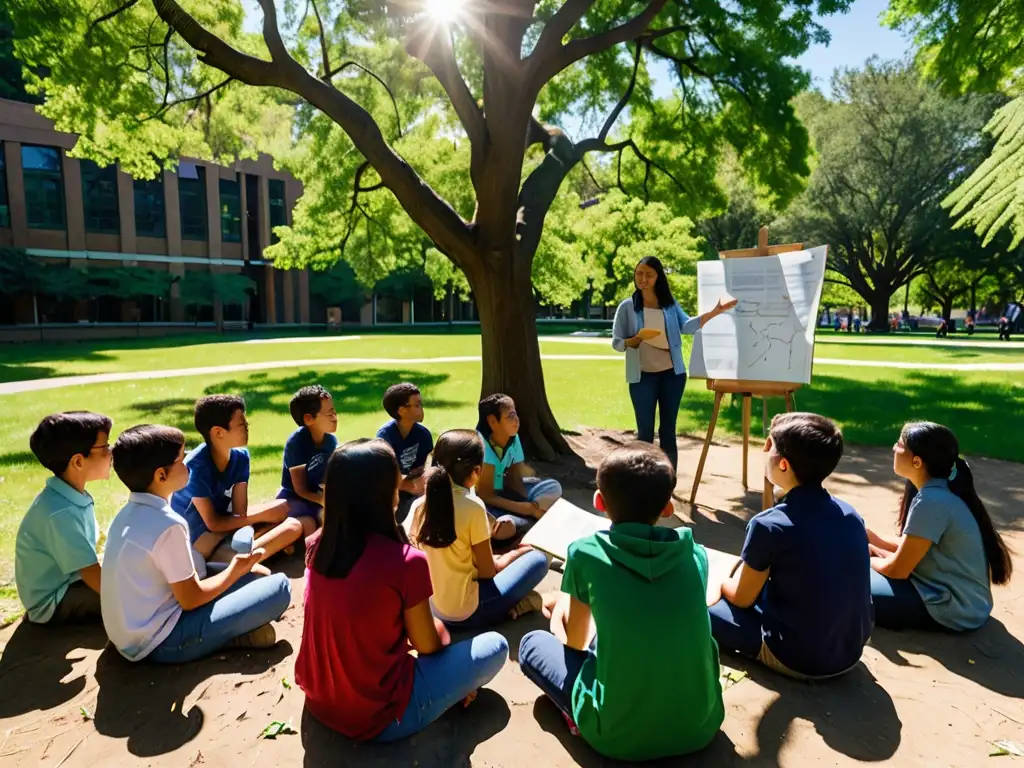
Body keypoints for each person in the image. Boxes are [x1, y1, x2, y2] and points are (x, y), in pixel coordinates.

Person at [518, 442, 723, 762]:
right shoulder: (693, 554)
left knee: (532, 644)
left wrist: (560, 611)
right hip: (700, 727)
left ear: (599, 501)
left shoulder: (585, 552)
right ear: (668, 507)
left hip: (616, 738)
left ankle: (579, 720)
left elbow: (574, 642)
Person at [295, 439, 508, 742]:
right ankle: (448, 695)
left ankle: (448, 687)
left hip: (319, 700)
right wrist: (442, 633)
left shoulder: (318, 545)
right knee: (495, 647)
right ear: (386, 495)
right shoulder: (406, 562)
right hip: (379, 716)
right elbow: (429, 645)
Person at [102, 425, 291, 663]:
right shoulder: (168, 524)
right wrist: (234, 571)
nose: (188, 463)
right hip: (162, 642)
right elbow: (190, 599)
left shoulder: (126, 515)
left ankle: (236, 632)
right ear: (161, 475)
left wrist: (239, 572)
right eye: (181, 459)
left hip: (131, 637)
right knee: (280, 588)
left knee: (258, 576)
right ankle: (228, 638)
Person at [707, 413, 873, 679]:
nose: (764, 451)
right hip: (849, 651)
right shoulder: (850, 514)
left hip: (798, 659)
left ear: (783, 464)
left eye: (769, 445)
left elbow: (741, 597)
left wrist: (721, 581)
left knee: (701, 607)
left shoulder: (769, 525)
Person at [868, 422, 1012, 631]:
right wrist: (873, 539)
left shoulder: (931, 501)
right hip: (964, 602)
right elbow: (914, 546)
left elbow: (898, 570)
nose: (893, 448)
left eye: (899, 444)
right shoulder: (939, 493)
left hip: (953, 608)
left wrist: (868, 558)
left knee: (843, 577)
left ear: (917, 461)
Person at [409, 429, 549, 628]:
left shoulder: (420, 506)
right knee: (538, 559)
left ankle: (520, 603)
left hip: (433, 608)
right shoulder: (472, 507)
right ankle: (520, 604)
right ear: (476, 471)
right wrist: (512, 556)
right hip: (467, 613)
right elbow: (487, 572)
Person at [611, 256, 738, 472]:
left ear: (658, 277)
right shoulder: (627, 307)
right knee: (645, 433)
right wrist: (634, 340)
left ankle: (669, 480)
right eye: (639, 273)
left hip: (672, 376)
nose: (643, 279)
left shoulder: (669, 305)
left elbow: (687, 326)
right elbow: (617, 343)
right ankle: (645, 480)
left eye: (649, 275)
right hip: (642, 377)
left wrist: (714, 312)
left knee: (668, 430)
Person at [171, 395, 302, 562]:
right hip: (199, 539)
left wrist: (263, 516)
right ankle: (243, 558)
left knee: (293, 525)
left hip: (228, 526)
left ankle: (246, 555)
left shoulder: (241, 457)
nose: (246, 428)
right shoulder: (196, 467)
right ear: (218, 432)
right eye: (241, 425)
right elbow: (213, 524)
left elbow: (240, 513)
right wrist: (264, 515)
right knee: (279, 525)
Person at [15, 412, 112, 625]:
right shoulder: (60, 513)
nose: (111, 452)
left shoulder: (70, 495)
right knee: (136, 595)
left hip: (72, 579)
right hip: (53, 600)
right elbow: (91, 573)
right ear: (78, 461)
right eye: (105, 447)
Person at [474, 394, 563, 541]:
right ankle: (520, 524)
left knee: (553, 486)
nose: (517, 420)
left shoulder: (513, 438)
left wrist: (526, 505)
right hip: (483, 501)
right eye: (510, 416)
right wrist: (527, 509)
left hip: (504, 491)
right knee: (504, 525)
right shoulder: (481, 445)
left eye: (516, 414)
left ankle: (527, 522)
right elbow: (486, 495)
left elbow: (515, 478)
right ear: (492, 421)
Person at [277, 385, 339, 538]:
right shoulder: (296, 443)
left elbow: (328, 475)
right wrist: (324, 501)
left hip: (316, 496)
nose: (335, 417)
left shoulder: (330, 441)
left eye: (334, 411)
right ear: (309, 419)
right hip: (293, 497)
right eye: (329, 413)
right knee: (313, 522)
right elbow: (300, 489)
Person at [376, 383, 434, 524]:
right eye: (417, 404)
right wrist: (411, 486)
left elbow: (427, 466)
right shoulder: (385, 436)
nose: (422, 408)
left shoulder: (423, 434)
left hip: (415, 487)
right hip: (392, 494)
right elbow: (382, 476)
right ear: (402, 410)